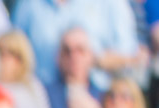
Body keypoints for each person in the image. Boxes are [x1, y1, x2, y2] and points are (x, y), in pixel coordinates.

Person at [11, 0, 143, 89]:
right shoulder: (29, 4)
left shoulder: (109, 3)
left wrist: (90, 59)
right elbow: (13, 46)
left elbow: (131, 56)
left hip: (97, 95)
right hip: (42, 93)